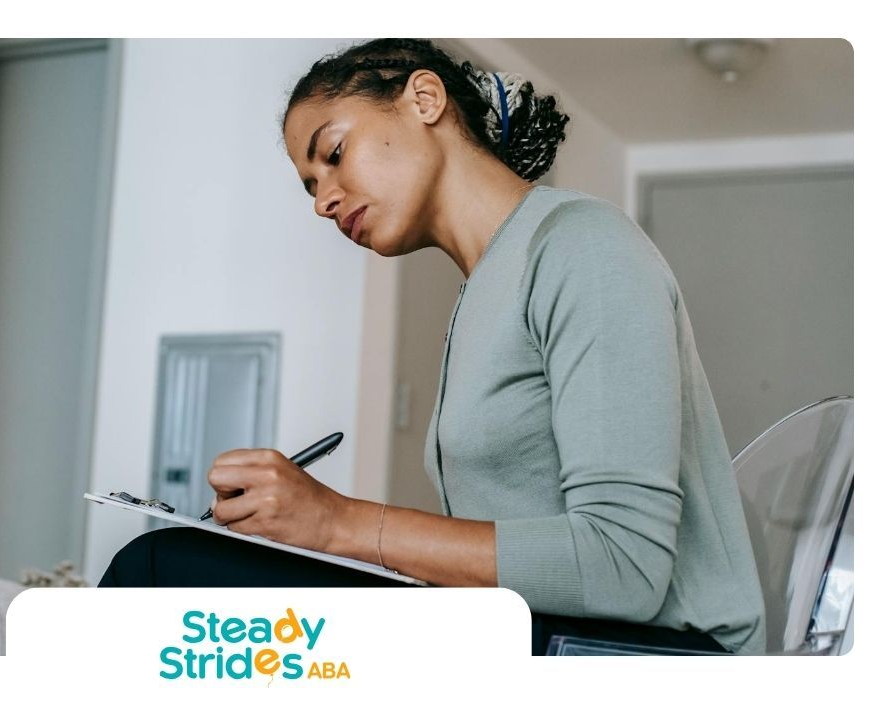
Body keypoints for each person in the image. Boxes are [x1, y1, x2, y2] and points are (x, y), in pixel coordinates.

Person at [99, 38, 767, 656]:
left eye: (333, 155)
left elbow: (625, 566)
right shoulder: (483, 293)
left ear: (425, 100)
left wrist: (335, 523)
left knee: (161, 570)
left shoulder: (583, 246)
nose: (323, 202)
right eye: (310, 187)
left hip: (650, 655)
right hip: (540, 632)